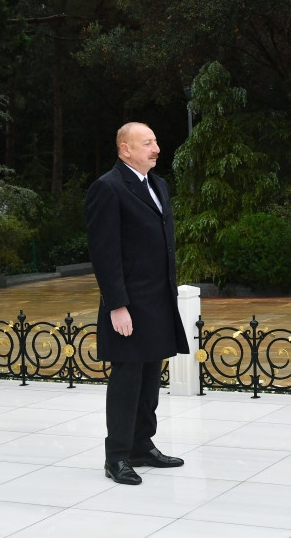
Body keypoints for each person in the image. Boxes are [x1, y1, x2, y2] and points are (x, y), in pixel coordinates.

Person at [85, 122, 190, 485]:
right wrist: (117, 305)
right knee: (127, 380)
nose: (156, 148)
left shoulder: (158, 185)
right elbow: (104, 253)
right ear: (125, 149)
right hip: (128, 304)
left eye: (155, 142)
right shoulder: (108, 188)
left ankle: (142, 446)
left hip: (157, 301)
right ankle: (116, 456)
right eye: (147, 143)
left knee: (149, 380)